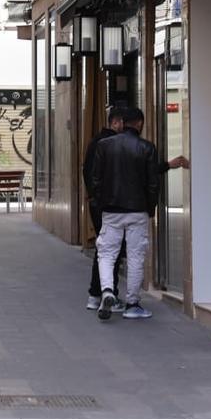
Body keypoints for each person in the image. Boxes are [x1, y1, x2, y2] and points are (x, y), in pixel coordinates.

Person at [88, 107, 160, 321]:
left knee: (106, 253)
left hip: (111, 211)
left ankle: (108, 290)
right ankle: (132, 303)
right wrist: (150, 208)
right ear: (138, 123)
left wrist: (101, 204)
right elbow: (153, 184)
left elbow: (95, 180)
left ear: (122, 122)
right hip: (138, 211)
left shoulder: (104, 146)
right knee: (136, 256)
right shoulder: (147, 148)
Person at [82, 108, 127, 312]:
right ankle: (107, 294)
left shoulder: (95, 142)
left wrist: (93, 195)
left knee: (105, 249)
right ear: (116, 122)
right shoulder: (112, 145)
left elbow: (86, 170)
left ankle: (95, 294)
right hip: (109, 205)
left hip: (96, 203)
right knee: (111, 250)